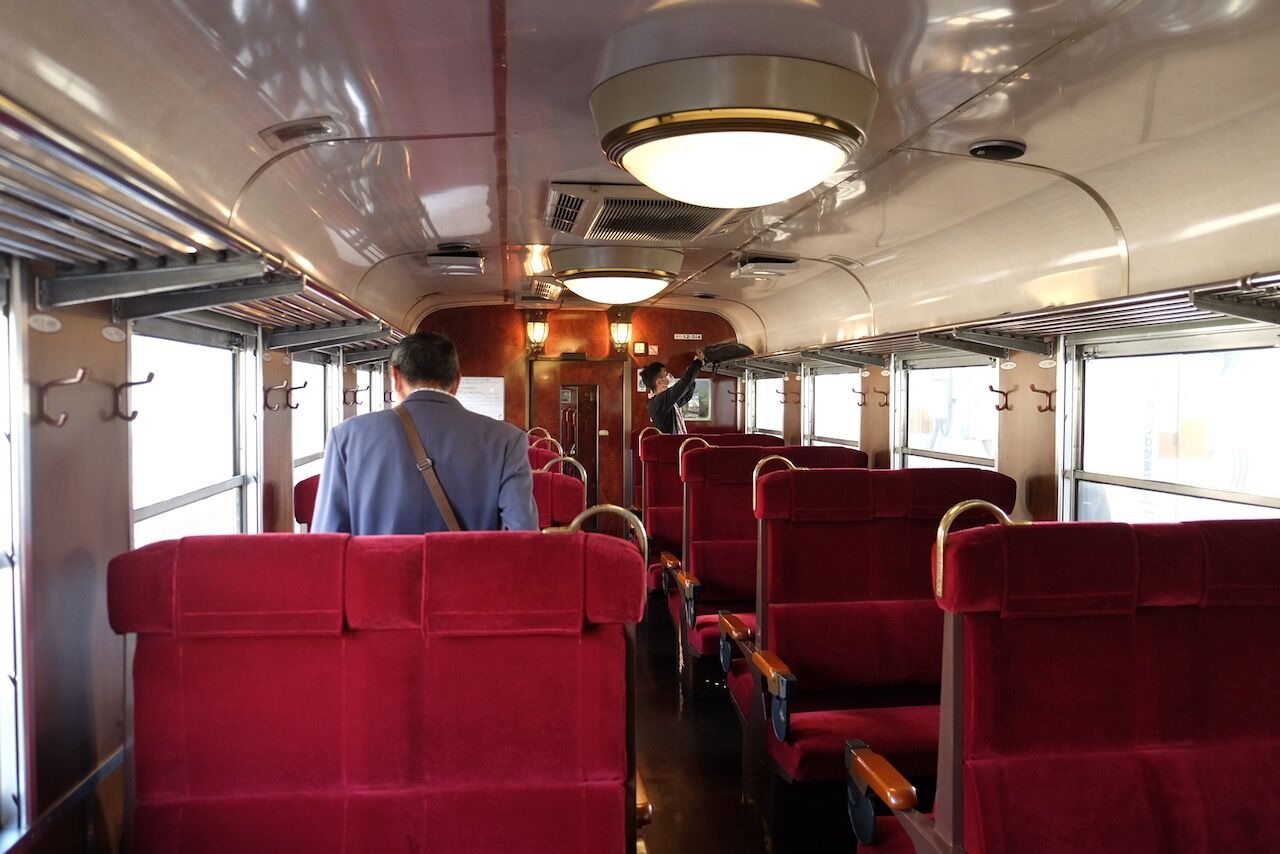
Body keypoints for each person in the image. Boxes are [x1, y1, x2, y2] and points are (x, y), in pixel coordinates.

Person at [311, 331, 538, 534]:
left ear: (396, 378)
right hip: (467, 569)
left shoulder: (345, 438)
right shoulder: (506, 440)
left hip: (378, 570)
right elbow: (524, 536)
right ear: (456, 381)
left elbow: (327, 543)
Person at [640, 349, 705, 434]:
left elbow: (686, 396)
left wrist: (691, 378)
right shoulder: (659, 402)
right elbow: (682, 386)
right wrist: (697, 363)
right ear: (659, 382)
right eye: (666, 375)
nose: (669, 376)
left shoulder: (667, 402)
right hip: (669, 442)